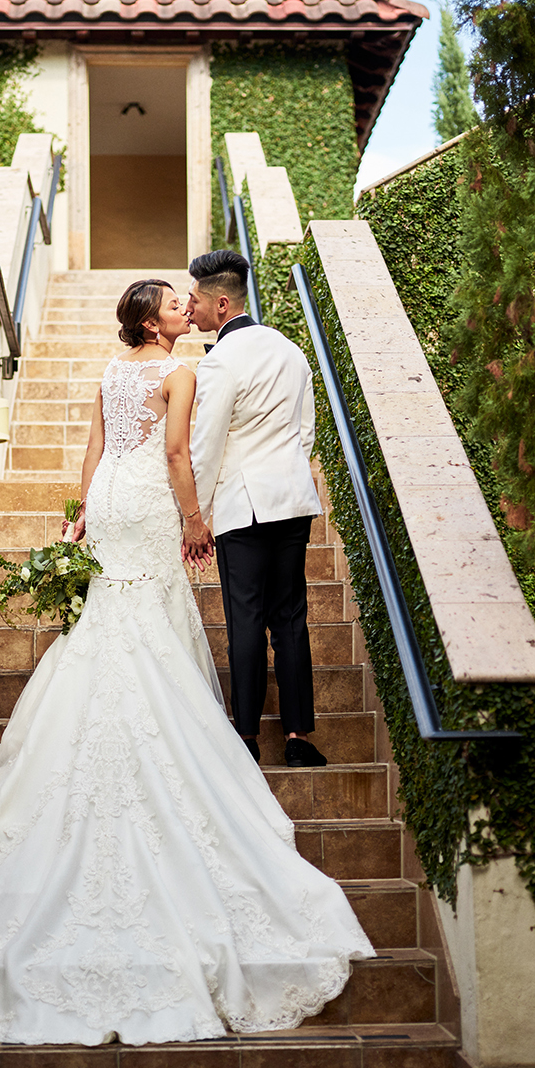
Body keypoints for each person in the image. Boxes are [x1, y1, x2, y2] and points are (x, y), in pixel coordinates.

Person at [0, 278, 372, 1047]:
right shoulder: (179, 373)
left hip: (113, 498)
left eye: (189, 300)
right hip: (153, 499)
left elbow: (93, 448)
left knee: (114, 614)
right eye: (174, 304)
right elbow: (179, 450)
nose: (189, 306)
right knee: (149, 611)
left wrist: (82, 513)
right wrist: (194, 516)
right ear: (153, 321)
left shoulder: (111, 372)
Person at [186, 251, 327, 768]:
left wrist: (194, 517)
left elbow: (207, 443)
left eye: (197, 301)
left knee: (245, 619)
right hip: (292, 502)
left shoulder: (221, 360)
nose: (192, 309)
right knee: (290, 619)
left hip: (244, 507)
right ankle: (297, 739)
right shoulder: (290, 350)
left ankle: (244, 737)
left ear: (221, 303)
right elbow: (306, 431)